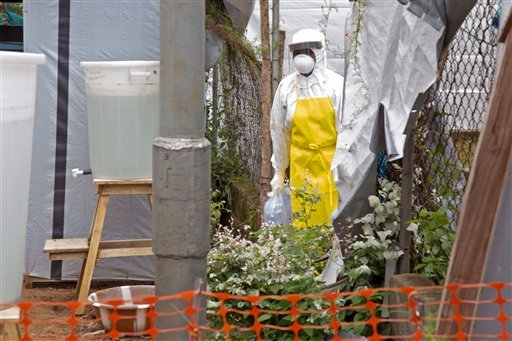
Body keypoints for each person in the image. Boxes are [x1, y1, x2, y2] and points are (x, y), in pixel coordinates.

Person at [270, 28, 344, 227]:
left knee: (332, 223)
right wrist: (279, 169)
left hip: (331, 167)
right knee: (304, 221)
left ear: (319, 54)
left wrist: (345, 169)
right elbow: (279, 131)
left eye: (308, 52)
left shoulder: (337, 85)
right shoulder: (286, 87)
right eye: (297, 52)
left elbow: (347, 131)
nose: (302, 58)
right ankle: (307, 258)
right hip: (300, 166)